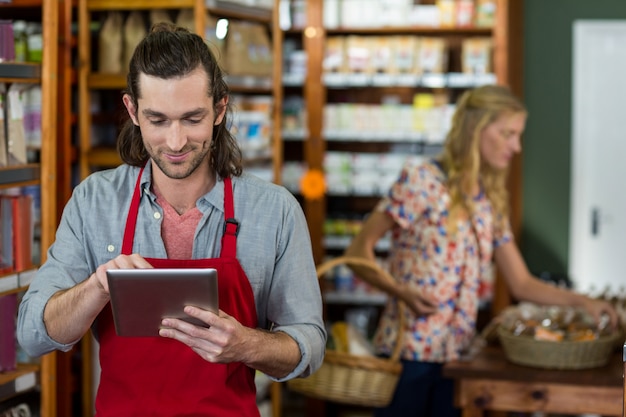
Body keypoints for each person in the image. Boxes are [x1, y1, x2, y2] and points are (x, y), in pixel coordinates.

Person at [17, 23, 326, 417]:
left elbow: (311, 344)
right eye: (158, 120)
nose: (176, 142)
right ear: (132, 111)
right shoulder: (94, 202)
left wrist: (246, 345)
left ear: (219, 109)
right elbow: (32, 332)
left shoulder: (275, 211)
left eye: (192, 118)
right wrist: (96, 287)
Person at [343, 84, 619, 417]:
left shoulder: (489, 199)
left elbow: (522, 283)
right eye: (508, 133)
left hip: (459, 356)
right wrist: (400, 291)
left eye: (518, 135)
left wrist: (584, 302)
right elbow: (358, 253)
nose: (516, 146)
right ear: (476, 129)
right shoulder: (421, 181)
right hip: (409, 354)